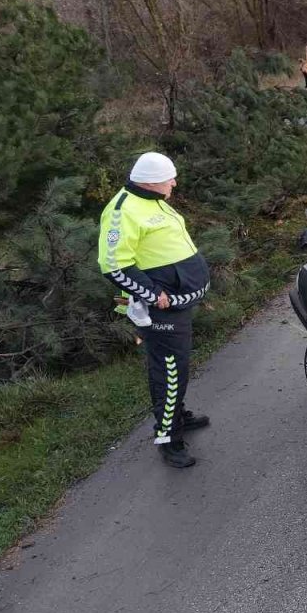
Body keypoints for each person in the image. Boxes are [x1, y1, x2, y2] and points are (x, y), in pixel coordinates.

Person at [98, 152, 211, 468]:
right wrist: (154, 294)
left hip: (177, 304)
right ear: (150, 180)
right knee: (170, 371)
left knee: (177, 366)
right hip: (160, 310)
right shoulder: (122, 211)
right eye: (169, 178)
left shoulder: (151, 198)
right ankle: (168, 439)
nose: (174, 182)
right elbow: (113, 264)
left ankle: (177, 415)